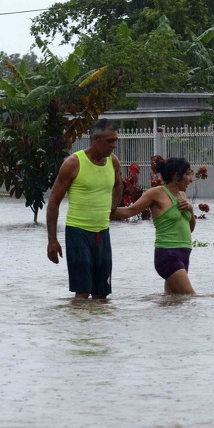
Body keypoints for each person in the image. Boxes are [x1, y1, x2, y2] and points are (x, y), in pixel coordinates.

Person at [47, 119, 123, 299]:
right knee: (82, 292)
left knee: (102, 294)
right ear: (95, 138)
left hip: (102, 233)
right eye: (109, 141)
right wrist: (52, 241)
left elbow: (119, 185)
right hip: (78, 233)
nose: (114, 146)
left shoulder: (113, 162)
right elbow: (53, 202)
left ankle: (99, 327)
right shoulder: (73, 163)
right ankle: (79, 327)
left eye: (115, 141)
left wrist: (111, 210)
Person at [112, 157, 196, 295]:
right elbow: (129, 211)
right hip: (168, 255)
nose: (190, 179)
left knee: (174, 302)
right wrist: (103, 208)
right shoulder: (156, 193)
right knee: (191, 298)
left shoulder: (182, 195)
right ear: (176, 176)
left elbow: (190, 229)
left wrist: (190, 210)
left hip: (184, 255)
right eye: (187, 174)